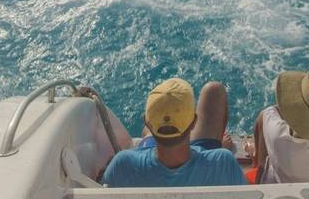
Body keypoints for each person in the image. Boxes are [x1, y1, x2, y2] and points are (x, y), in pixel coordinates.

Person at [102, 78, 248, 187]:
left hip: (147, 158)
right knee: (214, 90)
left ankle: (151, 130)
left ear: (146, 120)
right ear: (194, 122)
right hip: (205, 163)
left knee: (147, 134)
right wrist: (221, 150)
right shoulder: (223, 162)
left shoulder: (122, 165)